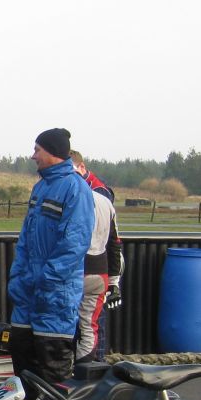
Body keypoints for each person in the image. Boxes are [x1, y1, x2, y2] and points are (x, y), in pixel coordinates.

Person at [5, 129, 94, 388]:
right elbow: (25, 239)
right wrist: (18, 278)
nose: (33, 156)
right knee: (23, 371)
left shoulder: (76, 189)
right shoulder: (41, 188)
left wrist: (46, 281)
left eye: (37, 150)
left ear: (53, 152)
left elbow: (74, 245)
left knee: (52, 376)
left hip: (54, 299)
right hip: (27, 296)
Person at [70, 151, 122, 361]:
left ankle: (79, 369)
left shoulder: (78, 195)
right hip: (99, 270)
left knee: (72, 326)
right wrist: (114, 281)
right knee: (90, 326)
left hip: (77, 270)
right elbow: (115, 243)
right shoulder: (103, 198)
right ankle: (92, 367)